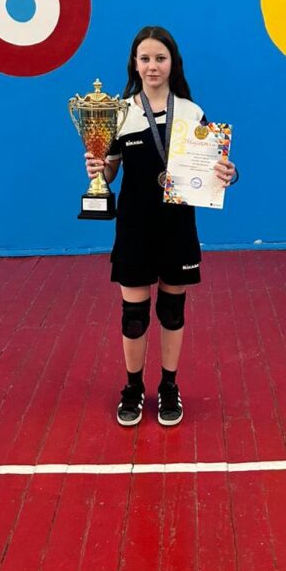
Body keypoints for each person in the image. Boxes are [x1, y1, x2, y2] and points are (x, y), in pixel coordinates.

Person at [83, 26, 237, 427]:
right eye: (145, 58)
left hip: (178, 227)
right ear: (135, 64)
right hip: (135, 228)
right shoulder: (120, 112)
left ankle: (169, 386)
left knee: (171, 312)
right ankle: (133, 388)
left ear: (173, 63)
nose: (153, 66)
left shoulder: (191, 112)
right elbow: (110, 173)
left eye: (160, 58)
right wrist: (97, 167)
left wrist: (229, 173)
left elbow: (215, 169)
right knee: (133, 316)